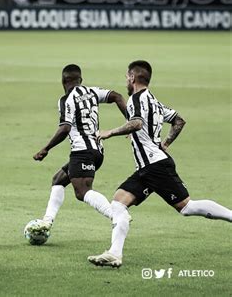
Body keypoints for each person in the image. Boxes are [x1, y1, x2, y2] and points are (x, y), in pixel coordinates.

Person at [88, 60, 232, 268]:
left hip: (155, 167)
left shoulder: (135, 99)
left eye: (126, 77)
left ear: (132, 77)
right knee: (118, 203)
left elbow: (136, 123)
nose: (126, 81)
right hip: (149, 167)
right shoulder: (154, 101)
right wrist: (164, 143)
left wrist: (110, 132)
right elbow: (179, 120)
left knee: (187, 207)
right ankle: (114, 253)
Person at [32, 64, 126, 235]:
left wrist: (45, 149)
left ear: (63, 81)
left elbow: (65, 128)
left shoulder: (66, 99)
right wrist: (129, 121)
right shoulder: (92, 92)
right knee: (58, 180)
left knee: (82, 192)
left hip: (82, 152)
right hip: (97, 151)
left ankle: (117, 215)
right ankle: (47, 221)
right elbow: (117, 96)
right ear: (80, 80)